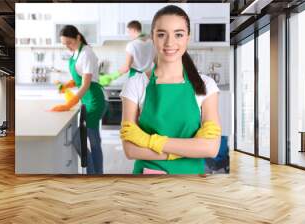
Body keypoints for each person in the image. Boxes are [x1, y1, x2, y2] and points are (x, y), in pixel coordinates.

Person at [119, 5, 222, 175]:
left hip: (192, 183)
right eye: (161, 34)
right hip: (147, 179)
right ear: (152, 37)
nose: (169, 43)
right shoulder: (135, 84)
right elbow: (131, 150)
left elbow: (211, 148)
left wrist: (148, 141)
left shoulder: (205, 85)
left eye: (178, 34)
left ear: (187, 38)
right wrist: (188, 149)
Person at [50, 25, 106, 174]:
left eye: (70, 42)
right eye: (64, 44)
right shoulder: (76, 53)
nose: (67, 46)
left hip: (94, 100)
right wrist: (67, 84)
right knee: (90, 140)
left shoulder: (86, 53)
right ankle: (94, 172)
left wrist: (69, 104)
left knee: (85, 140)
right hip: (86, 101)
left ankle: (95, 173)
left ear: (78, 37)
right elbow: (79, 80)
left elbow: (86, 84)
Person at [99, 20, 155, 86]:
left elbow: (126, 67)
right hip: (150, 78)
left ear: (133, 30)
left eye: (129, 32)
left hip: (136, 80)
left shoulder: (132, 45)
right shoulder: (152, 42)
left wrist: (111, 77)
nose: (129, 35)